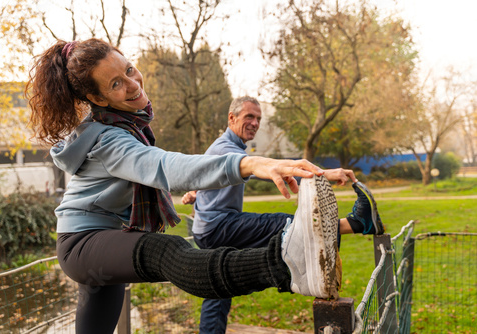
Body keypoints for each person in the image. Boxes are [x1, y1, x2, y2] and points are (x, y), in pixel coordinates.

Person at [26, 38, 357, 334]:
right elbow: (165, 166)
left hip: (106, 238)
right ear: (96, 97)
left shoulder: (124, 126)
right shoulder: (107, 139)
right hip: (84, 244)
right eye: (116, 83)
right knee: (170, 253)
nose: (133, 83)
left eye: (129, 69)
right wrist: (253, 164)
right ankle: (288, 265)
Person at [182, 96, 385, 334]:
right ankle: (355, 224)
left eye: (258, 118)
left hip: (210, 228)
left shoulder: (226, 147)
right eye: (249, 116)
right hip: (218, 227)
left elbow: (207, 173)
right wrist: (323, 173)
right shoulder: (225, 148)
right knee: (286, 224)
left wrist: (197, 193)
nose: (255, 123)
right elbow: (261, 164)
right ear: (231, 118)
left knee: (218, 289)